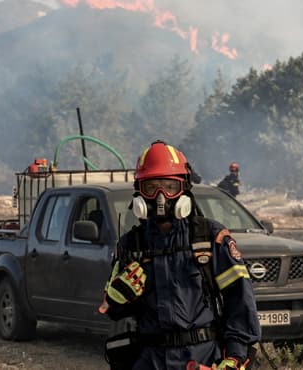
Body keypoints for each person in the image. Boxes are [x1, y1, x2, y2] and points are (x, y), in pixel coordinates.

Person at [99, 141, 260, 369]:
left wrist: (235, 356)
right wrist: (117, 299)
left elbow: (240, 300)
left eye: (170, 187)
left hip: (201, 359)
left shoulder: (210, 239)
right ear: (139, 192)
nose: (161, 197)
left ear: (184, 188)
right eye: (151, 187)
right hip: (149, 359)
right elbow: (113, 311)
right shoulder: (130, 245)